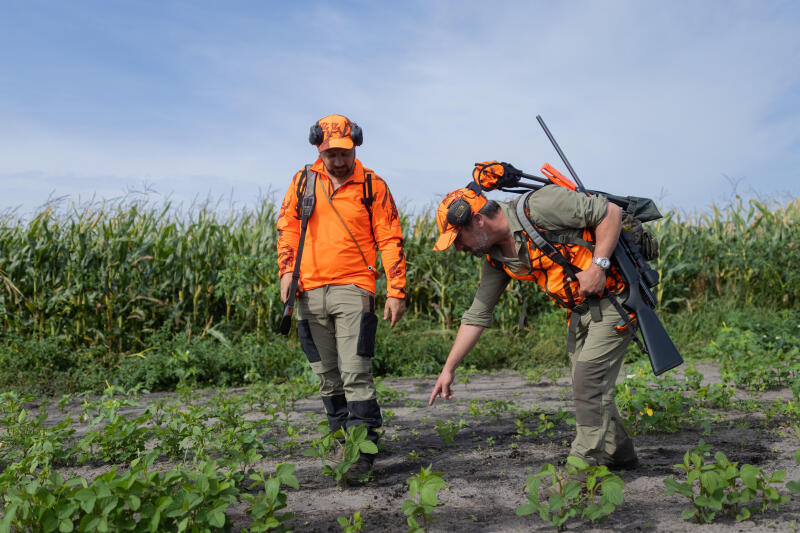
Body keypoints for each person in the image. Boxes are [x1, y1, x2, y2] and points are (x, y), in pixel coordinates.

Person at [427, 181, 639, 471]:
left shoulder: (540, 206)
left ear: (477, 220)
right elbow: (478, 313)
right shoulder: (496, 258)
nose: (459, 247)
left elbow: (610, 213)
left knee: (589, 383)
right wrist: (448, 369)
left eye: (459, 238)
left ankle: (580, 471)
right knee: (586, 385)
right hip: (580, 312)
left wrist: (598, 267)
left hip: (615, 300)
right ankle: (621, 457)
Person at [276, 114, 406, 484]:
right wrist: (287, 271)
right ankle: (341, 438)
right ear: (319, 148)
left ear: (355, 147)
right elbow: (287, 227)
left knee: (355, 373)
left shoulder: (372, 186)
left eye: (344, 152)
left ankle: (361, 452)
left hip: (355, 287)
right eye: (331, 153)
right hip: (309, 290)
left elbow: (390, 238)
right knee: (326, 375)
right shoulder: (303, 181)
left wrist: (396, 290)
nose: (338, 160)